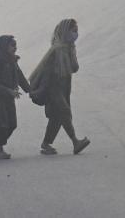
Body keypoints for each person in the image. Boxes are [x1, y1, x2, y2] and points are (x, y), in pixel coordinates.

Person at [29, 19, 90, 156]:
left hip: (63, 88)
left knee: (56, 118)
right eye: (73, 30)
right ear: (64, 32)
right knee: (65, 112)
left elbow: (74, 68)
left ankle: (46, 144)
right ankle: (75, 142)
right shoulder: (56, 51)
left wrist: (72, 53)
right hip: (53, 88)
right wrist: (40, 90)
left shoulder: (68, 49)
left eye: (76, 30)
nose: (75, 33)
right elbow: (46, 72)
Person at [0, 35, 30, 160]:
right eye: (12, 45)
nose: (15, 48)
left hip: (10, 98)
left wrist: (31, 91)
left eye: (15, 45)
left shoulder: (13, 62)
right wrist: (8, 91)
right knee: (3, 124)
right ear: (3, 47)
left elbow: (21, 78)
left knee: (12, 124)